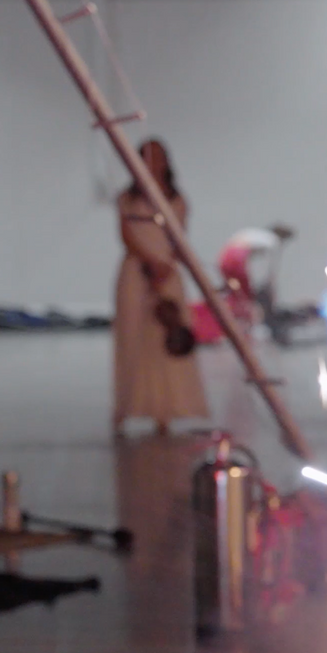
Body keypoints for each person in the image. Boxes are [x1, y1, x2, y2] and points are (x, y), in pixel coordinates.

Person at [111, 139, 209, 436]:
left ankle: (166, 410)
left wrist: (165, 266)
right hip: (136, 270)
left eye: (157, 157)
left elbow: (179, 237)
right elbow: (126, 235)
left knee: (167, 336)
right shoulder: (127, 199)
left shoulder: (177, 200)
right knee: (133, 337)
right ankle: (126, 407)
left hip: (167, 272)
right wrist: (148, 261)